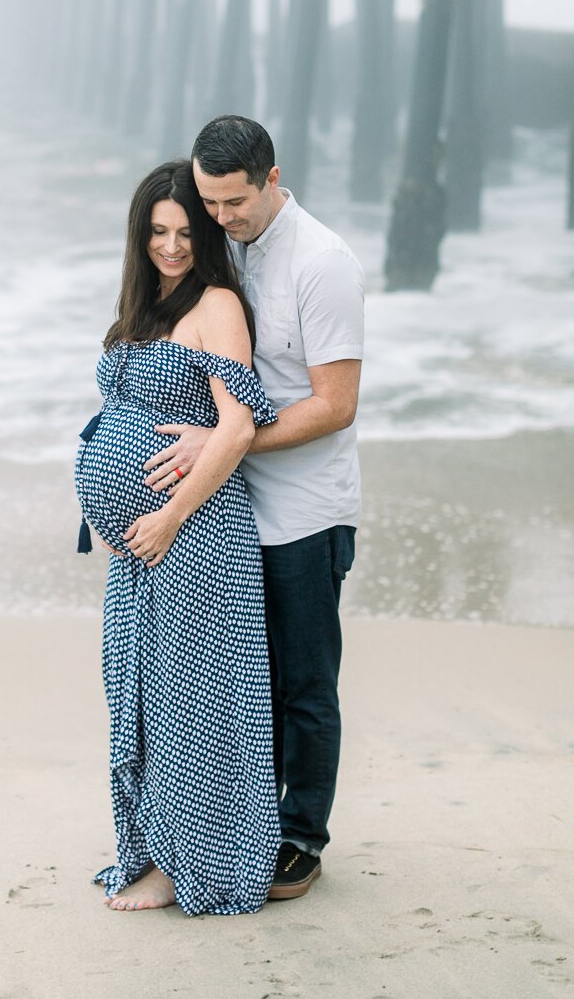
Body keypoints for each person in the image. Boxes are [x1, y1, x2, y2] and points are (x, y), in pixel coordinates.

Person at [144, 117, 364, 900]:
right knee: (243, 680)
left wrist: (224, 443)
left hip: (306, 511)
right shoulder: (220, 244)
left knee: (304, 684)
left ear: (272, 179)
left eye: (234, 202)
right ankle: (243, 825)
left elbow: (334, 405)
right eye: (210, 203)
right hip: (230, 509)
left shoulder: (323, 264)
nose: (220, 218)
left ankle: (301, 836)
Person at [75, 159, 280, 915]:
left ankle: (191, 864)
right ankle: (155, 845)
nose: (170, 246)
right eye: (157, 232)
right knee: (139, 693)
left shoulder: (217, 304)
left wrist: (168, 515)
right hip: (145, 546)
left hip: (194, 533)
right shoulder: (148, 302)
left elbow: (237, 425)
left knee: (190, 700)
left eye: (186, 233)